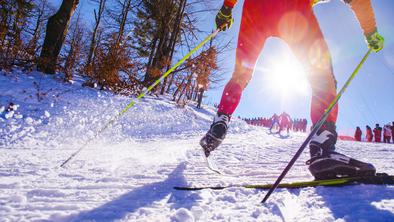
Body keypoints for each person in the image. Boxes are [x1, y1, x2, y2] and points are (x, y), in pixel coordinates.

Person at [200, 0, 383, 179]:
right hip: (293, 10)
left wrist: (227, 7)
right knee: (321, 76)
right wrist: (371, 31)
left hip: (255, 9)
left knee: (242, 73)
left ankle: (221, 118)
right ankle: (322, 143)